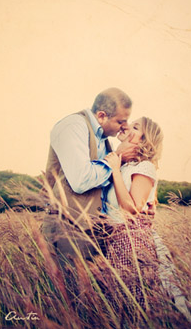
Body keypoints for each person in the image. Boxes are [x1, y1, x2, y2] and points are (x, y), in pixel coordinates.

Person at [103, 117, 191, 323]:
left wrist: (115, 169)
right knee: (123, 306)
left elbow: (131, 211)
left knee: (137, 305)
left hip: (133, 243)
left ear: (145, 141)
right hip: (117, 241)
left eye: (135, 127)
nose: (125, 126)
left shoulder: (143, 167)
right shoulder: (125, 165)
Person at [41, 88, 137, 260]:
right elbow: (81, 180)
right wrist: (118, 157)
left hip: (95, 229)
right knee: (72, 285)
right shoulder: (73, 126)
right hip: (69, 229)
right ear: (101, 116)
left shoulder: (103, 138)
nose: (126, 126)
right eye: (121, 121)